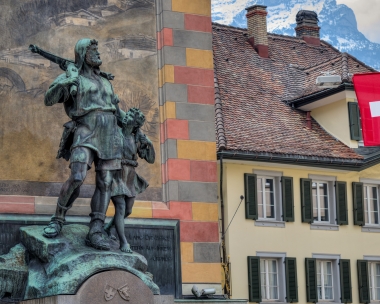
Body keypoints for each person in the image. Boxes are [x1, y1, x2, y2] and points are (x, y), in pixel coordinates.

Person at [42, 38, 123, 251]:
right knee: (77, 176)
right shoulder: (74, 77)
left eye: (97, 49)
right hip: (85, 130)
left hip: (110, 133)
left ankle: (96, 230)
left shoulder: (106, 81)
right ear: (82, 53)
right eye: (93, 50)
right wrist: (67, 80)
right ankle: (58, 219)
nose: (97, 53)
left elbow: (115, 109)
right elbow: (49, 99)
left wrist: (131, 127)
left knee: (105, 182)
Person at [104, 108, 155, 253]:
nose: (126, 117)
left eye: (131, 117)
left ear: (135, 124)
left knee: (128, 210)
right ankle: (123, 242)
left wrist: (149, 144)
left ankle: (108, 228)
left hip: (130, 176)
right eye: (128, 115)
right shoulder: (115, 133)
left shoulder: (136, 139)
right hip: (116, 173)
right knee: (120, 207)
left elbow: (151, 159)